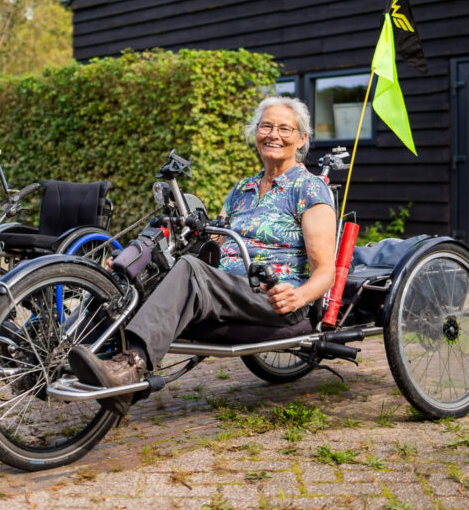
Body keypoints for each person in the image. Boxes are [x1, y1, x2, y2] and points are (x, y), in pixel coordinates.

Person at [69, 96, 337, 416]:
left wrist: (298, 296)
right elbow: (213, 241)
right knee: (146, 273)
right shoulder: (242, 189)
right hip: (229, 287)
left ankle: (131, 366)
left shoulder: (309, 189)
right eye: (266, 126)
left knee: (191, 269)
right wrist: (141, 262)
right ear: (255, 132)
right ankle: (70, 352)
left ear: (302, 139)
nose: (273, 134)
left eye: (284, 128)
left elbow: (326, 270)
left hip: (273, 293)